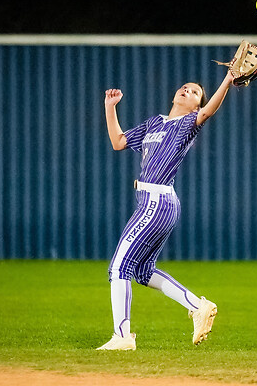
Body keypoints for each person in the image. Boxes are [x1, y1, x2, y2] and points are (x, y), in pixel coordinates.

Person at [97, 69, 235, 351]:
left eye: (195, 92)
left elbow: (208, 112)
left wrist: (228, 80)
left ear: (195, 106)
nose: (187, 90)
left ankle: (122, 337)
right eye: (185, 87)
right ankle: (197, 305)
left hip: (157, 202)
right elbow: (118, 142)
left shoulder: (187, 124)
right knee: (142, 271)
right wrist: (110, 107)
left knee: (119, 267)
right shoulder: (155, 123)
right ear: (175, 95)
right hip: (154, 203)